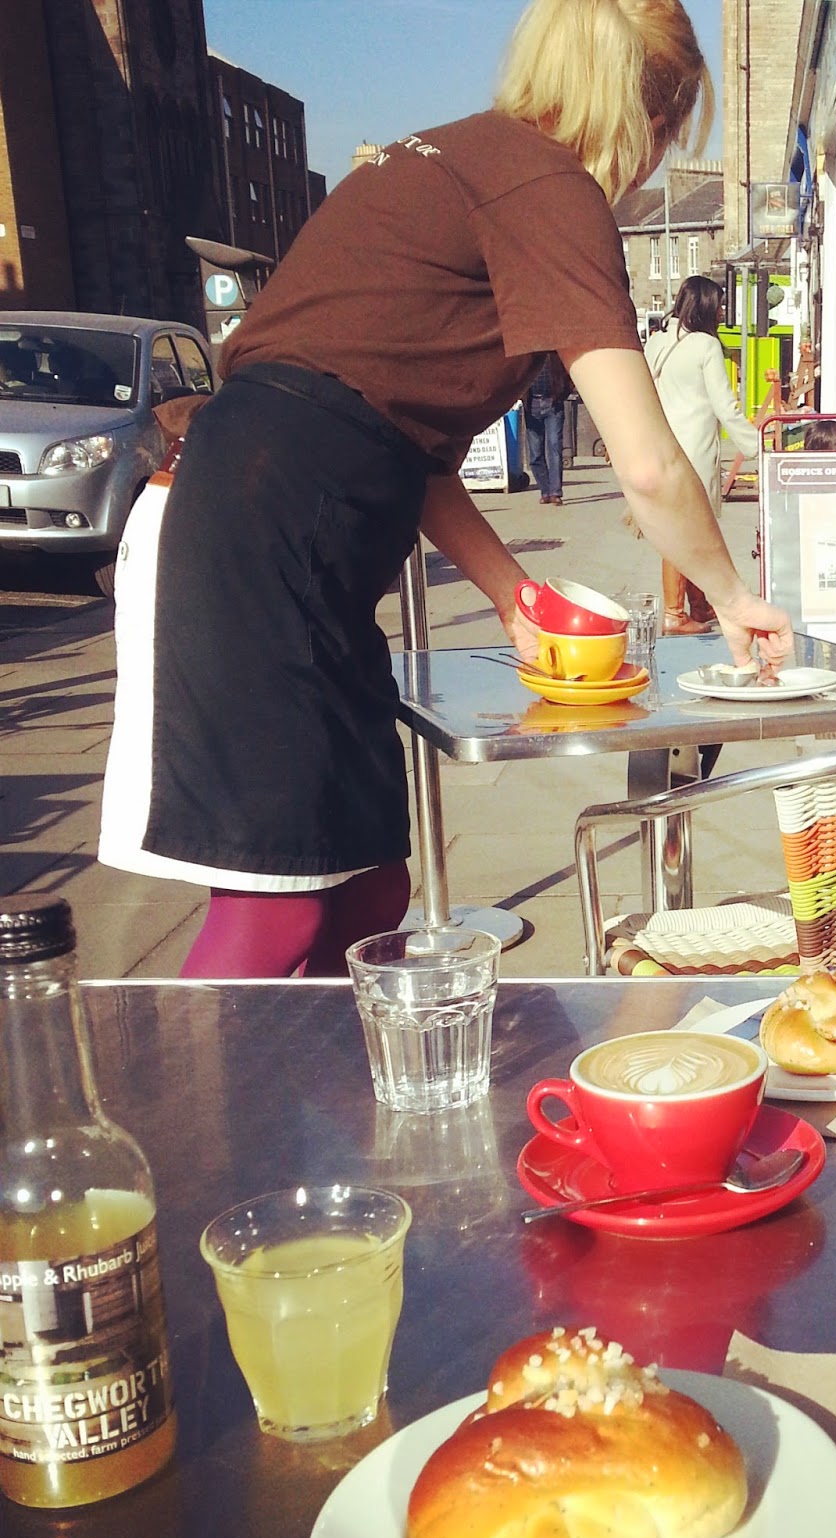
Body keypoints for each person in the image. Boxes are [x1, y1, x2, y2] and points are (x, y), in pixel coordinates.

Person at [96, 0, 792, 979]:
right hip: (248, 528)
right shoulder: (549, 186)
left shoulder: (455, 159)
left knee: (371, 892)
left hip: (293, 526)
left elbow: (400, 439)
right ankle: (178, 1083)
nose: (651, 161)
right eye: (670, 132)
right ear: (652, 114)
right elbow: (647, 463)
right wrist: (732, 595)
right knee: (277, 910)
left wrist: (513, 594)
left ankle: (334, 1081)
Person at [643, 274, 761, 633]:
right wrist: (756, 445)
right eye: (720, 304)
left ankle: (698, 605)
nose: (722, 311)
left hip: (660, 445)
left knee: (685, 528)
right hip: (694, 448)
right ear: (708, 306)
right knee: (685, 533)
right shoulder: (706, 346)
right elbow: (725, 406)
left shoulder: (656, 342)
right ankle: (674, 614)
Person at [524, 351, 573, 503]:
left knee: (555, 448)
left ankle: (555, 492)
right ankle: (545, 491)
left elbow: (569, 375)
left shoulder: (555, 354)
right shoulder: (526, 356)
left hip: (552, 404)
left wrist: (561, 395)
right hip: (532, 406)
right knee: (535, 453)